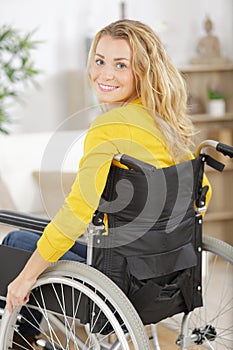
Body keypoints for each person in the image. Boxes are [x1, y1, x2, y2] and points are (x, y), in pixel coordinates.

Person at [4, 19, 211, 347]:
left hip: (117, 278)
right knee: (42, 232)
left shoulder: (108, 126)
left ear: (142, 71)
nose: (104, 74)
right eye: (99, 61)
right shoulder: (167, 124)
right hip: (166, 275)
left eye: (120, 65)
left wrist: (26, 278)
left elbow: (76, 212)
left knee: (16, 240)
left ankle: (22, 339)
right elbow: (201, 197)